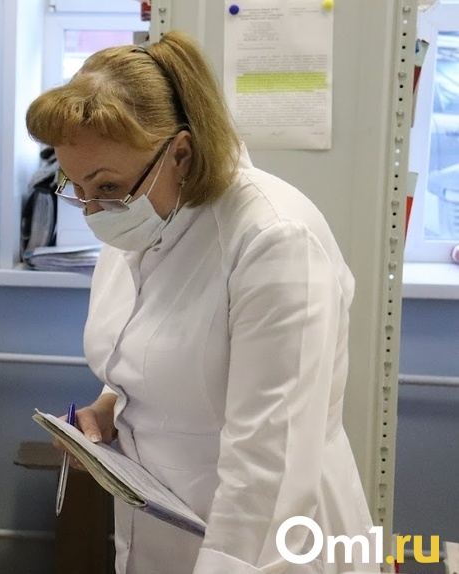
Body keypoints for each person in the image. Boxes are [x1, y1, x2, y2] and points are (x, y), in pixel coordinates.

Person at [26, 30, 377, 574]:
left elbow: (271, 468)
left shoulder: (274, 241)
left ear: (181, 154)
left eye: (107, 187)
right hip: (166, 523)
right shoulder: (141, 217)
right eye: (76, 188)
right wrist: (111, 406)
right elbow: (164, 354)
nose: (93, 212)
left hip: (265, 545)